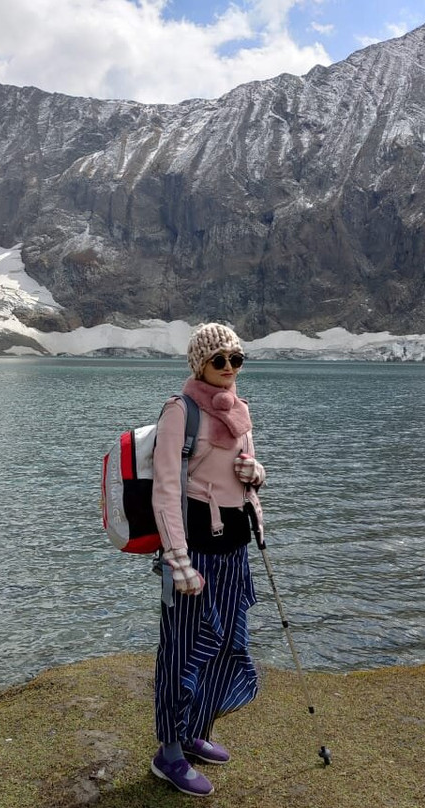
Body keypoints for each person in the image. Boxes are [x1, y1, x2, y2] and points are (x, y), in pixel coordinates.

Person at [149, 322, 267, 797]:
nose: (229, 369)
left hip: (233, 549)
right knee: (182, 651)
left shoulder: (240, 411)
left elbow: (247, 476)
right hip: (195, 552)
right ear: (199, 364)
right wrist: (178, 561)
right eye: (219, 360)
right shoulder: (180, 411)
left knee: (222, 645)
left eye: (236, 359)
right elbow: (165, 490)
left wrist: (256, 473)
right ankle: (168, 754)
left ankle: (197, 731)